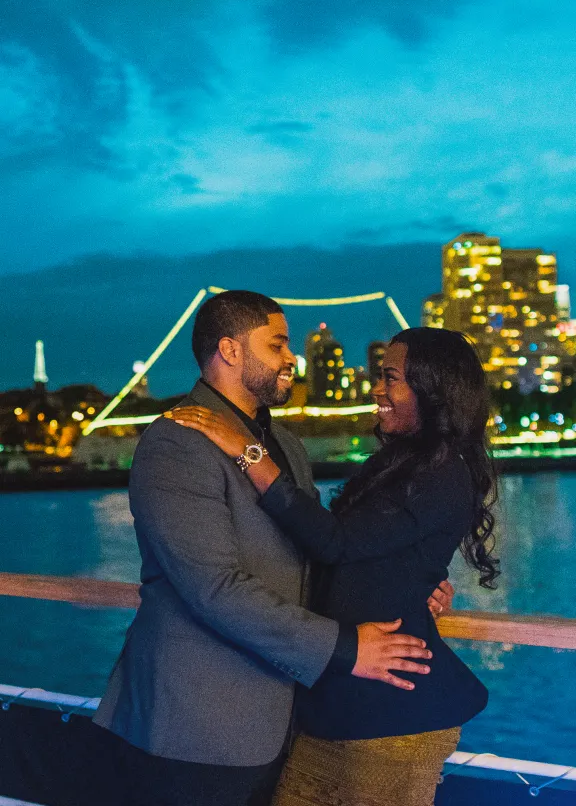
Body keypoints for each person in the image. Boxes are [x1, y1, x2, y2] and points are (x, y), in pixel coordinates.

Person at [93, 292, 450, 806]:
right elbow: (214, 590)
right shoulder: (176, 443)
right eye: (278, 344)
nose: (291, 359)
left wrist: (408, 582)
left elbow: (320, 548)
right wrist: (348, 649)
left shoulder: (284, 443)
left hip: (278, 722)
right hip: (195, 729)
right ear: (230, 350)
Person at [170, 325, 499, 806]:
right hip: (339, 701)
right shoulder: (401, 461)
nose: (377, 390)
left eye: (391, 378)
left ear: (432, 389)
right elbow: (368, 547)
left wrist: (250, 453)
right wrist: (417, 577)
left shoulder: (443, 471)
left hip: (395, 714)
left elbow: (336, 541)